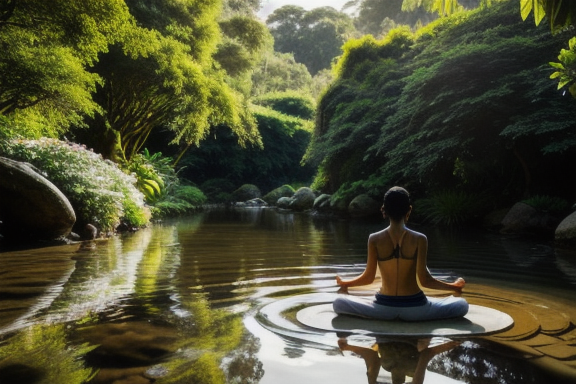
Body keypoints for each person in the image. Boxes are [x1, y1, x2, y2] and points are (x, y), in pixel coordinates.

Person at [334, 186, 468, 321]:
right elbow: (425, 280)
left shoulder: (374, 239)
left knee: (339, 302)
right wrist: (453, 286)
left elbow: (368, 277)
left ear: (384, 210)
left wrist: (346, 283)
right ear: (409, 210)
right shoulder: (420, 239)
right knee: (462, 305)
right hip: (416, 309)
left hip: (382, 309)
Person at [337, 336, 461, 384]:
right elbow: (428, 353)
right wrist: (447, 345)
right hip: (413, 337)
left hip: (386, 336)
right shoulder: (412, 373)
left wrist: (348, 347)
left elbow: (370, 354)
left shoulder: (383, 370)